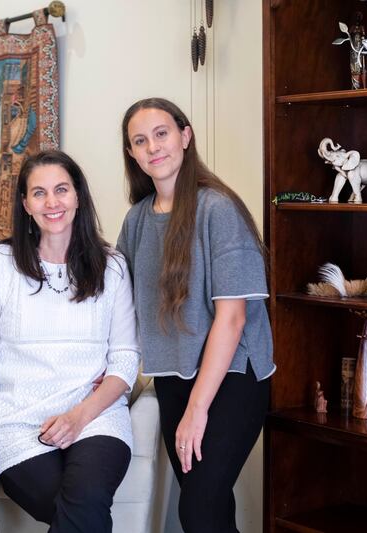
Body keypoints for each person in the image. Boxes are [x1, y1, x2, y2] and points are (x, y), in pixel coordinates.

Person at [0, 150, 139, 533]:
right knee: (76, 513)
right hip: (17, 423)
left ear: (78, 195)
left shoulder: (112, 267)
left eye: (61, 190)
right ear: (25, 204)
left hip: (95, 417)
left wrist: (78, 416)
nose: (52, 203)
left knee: (87, 498)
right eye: (39, 193)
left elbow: (125, 360)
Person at [117, 97, 275, 533]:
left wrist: (197, 409)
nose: (153, 147)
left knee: (199, 507)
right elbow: (120, 303)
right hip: (173, 377)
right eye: (140, 140)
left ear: (185, 137)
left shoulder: (217, 209)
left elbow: (233, 320)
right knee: (209, 506)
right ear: (132, 153)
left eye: (162, 134)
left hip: (232, 379)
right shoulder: (137, 220)